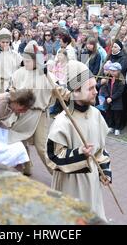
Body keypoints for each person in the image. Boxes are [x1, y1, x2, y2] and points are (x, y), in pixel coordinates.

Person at [46, 60, 112, 222]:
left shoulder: (96, 115)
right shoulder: (63, 122)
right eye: (90, 88)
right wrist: (79, 153)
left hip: (92, 183)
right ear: (75, 91)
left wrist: (105, 171)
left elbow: (100, 149)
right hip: (71, 185)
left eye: (95, 87)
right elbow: (53, 157)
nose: (96, 92)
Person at [7, 41, 69, 176]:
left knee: (42, 147)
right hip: (22, 115)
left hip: (39, 114)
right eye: (24, 59)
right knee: (19, 142)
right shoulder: (18, 73)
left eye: (29, 60)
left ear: (36, 61)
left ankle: (57, 175)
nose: (25, 62)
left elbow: (59, 91)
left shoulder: (46, 75)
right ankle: (26, 167)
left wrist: (70, 96)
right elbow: (12, 89)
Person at [0, 28, 22, 94]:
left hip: (10, 85)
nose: (5, 44)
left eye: (7, 42)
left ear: (10, 42)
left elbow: (21, 69)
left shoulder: (15, 55)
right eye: (3, 42)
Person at [100, 62, 125, 136]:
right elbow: (104, 88)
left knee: (116, 115)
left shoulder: (121, 81)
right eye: (111, 71)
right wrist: (107, 96)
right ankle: (110, 126)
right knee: (109, 114)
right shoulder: (108, 78)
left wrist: (112, 98)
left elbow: (119, 92)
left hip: (116, 101)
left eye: (114, 71)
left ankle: (117, 128)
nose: (112, 73)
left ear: (118, 71)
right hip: (108, 100)